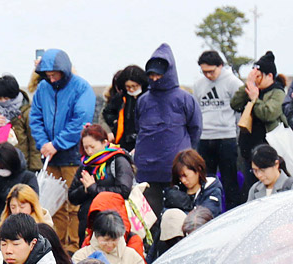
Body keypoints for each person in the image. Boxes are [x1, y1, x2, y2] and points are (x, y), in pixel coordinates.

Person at [29, 49, 97, 252]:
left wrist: (56, 144)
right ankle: (56, 247)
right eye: (47, 75)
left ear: (64, 71)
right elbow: (36, 117)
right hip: (50, 156)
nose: (51, 79)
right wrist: (43, 143)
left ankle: (73, 248)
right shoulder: (43, 88)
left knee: (74, 206)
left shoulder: (81, 88)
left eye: (54, 74)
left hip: (73, 156)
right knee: (53, 206)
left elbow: (80, 121)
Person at [134, 44, 202, 217]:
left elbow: (196, 129)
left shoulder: (185, 99)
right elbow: (138, 127)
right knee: (149, 219)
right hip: (148, 171)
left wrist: (184, 154)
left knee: (177, 216)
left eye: (159, 74)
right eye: (151, 75)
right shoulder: (142, 101)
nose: (155, 78)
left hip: (176, 170)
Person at [68, 124, 135, 242]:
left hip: (112, 220)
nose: (89, 151)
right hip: (87, 222)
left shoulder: (118, 160)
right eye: (86, 147)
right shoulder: (86, 164)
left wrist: (93, 188)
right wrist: (84, 189)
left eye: (92, 146)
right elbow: (72, 196)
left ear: (104, 143)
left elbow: (124, 191)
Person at [195, 50, 243, 211]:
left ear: (220, 66)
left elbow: (240, 111)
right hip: (205, 137)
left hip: (226, 137)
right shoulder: (198, 84)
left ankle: (233, 213)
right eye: (204, 72)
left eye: (211, 71)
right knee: (205, 181)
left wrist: (236, 134)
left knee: (230, 182)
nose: (208, 75)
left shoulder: (233, 82)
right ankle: (206, 213)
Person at [232, 51, 285, 179]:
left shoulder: (277, 92)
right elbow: (235, 104)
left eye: (258, 76)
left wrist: (255, 100)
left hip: (267, 150)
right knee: (250, 190)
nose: (256, 79)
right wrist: (247, 84)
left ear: (269, 76)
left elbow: (268, 114)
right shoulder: (251, 90)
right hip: (248, 150)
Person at [0, 75, 42, 172]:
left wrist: (35, 168)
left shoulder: (26, 111)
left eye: (6, 98)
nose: (3, 101)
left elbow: (34, 142)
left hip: (20, 163)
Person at [71, 211, 148, 264]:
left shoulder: (132, 257)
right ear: (96, 235)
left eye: (114, 240)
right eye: (106, 240)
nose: (110, 244)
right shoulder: (81, 256)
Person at [0, 142, 39, 225]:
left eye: (5, 167)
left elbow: (32, 203)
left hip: (23, 225)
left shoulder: (28, 177)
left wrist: (4, 192)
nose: (2, 170)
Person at [164, 148, 223, 217]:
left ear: (198, 169)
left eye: (185, 176)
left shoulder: (212, 191)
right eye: (180, 177)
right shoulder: (175, 192)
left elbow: (206, 215)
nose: (183, 180)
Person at [102, 66, 148, 153]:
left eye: (134, 86)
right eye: (128, 87)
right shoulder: (121, 98)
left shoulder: (148, 98)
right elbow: (107, 112)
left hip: (143, 141)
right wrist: (115, 121)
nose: (131, 89)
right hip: (123, 141)